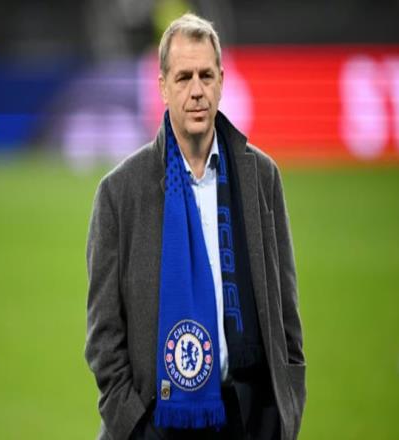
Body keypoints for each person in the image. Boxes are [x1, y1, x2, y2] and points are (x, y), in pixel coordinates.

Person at [85, 13, 306, 440]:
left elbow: (286, 312)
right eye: (183, 77)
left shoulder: (261, 177)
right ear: (163, 86)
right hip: (158, 422)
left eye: (206, 75)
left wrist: (286, 408)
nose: (197, 90)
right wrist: (135, 425)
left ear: (222, 80)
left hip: (248, 420)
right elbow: (103, 335)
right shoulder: (119, 192)